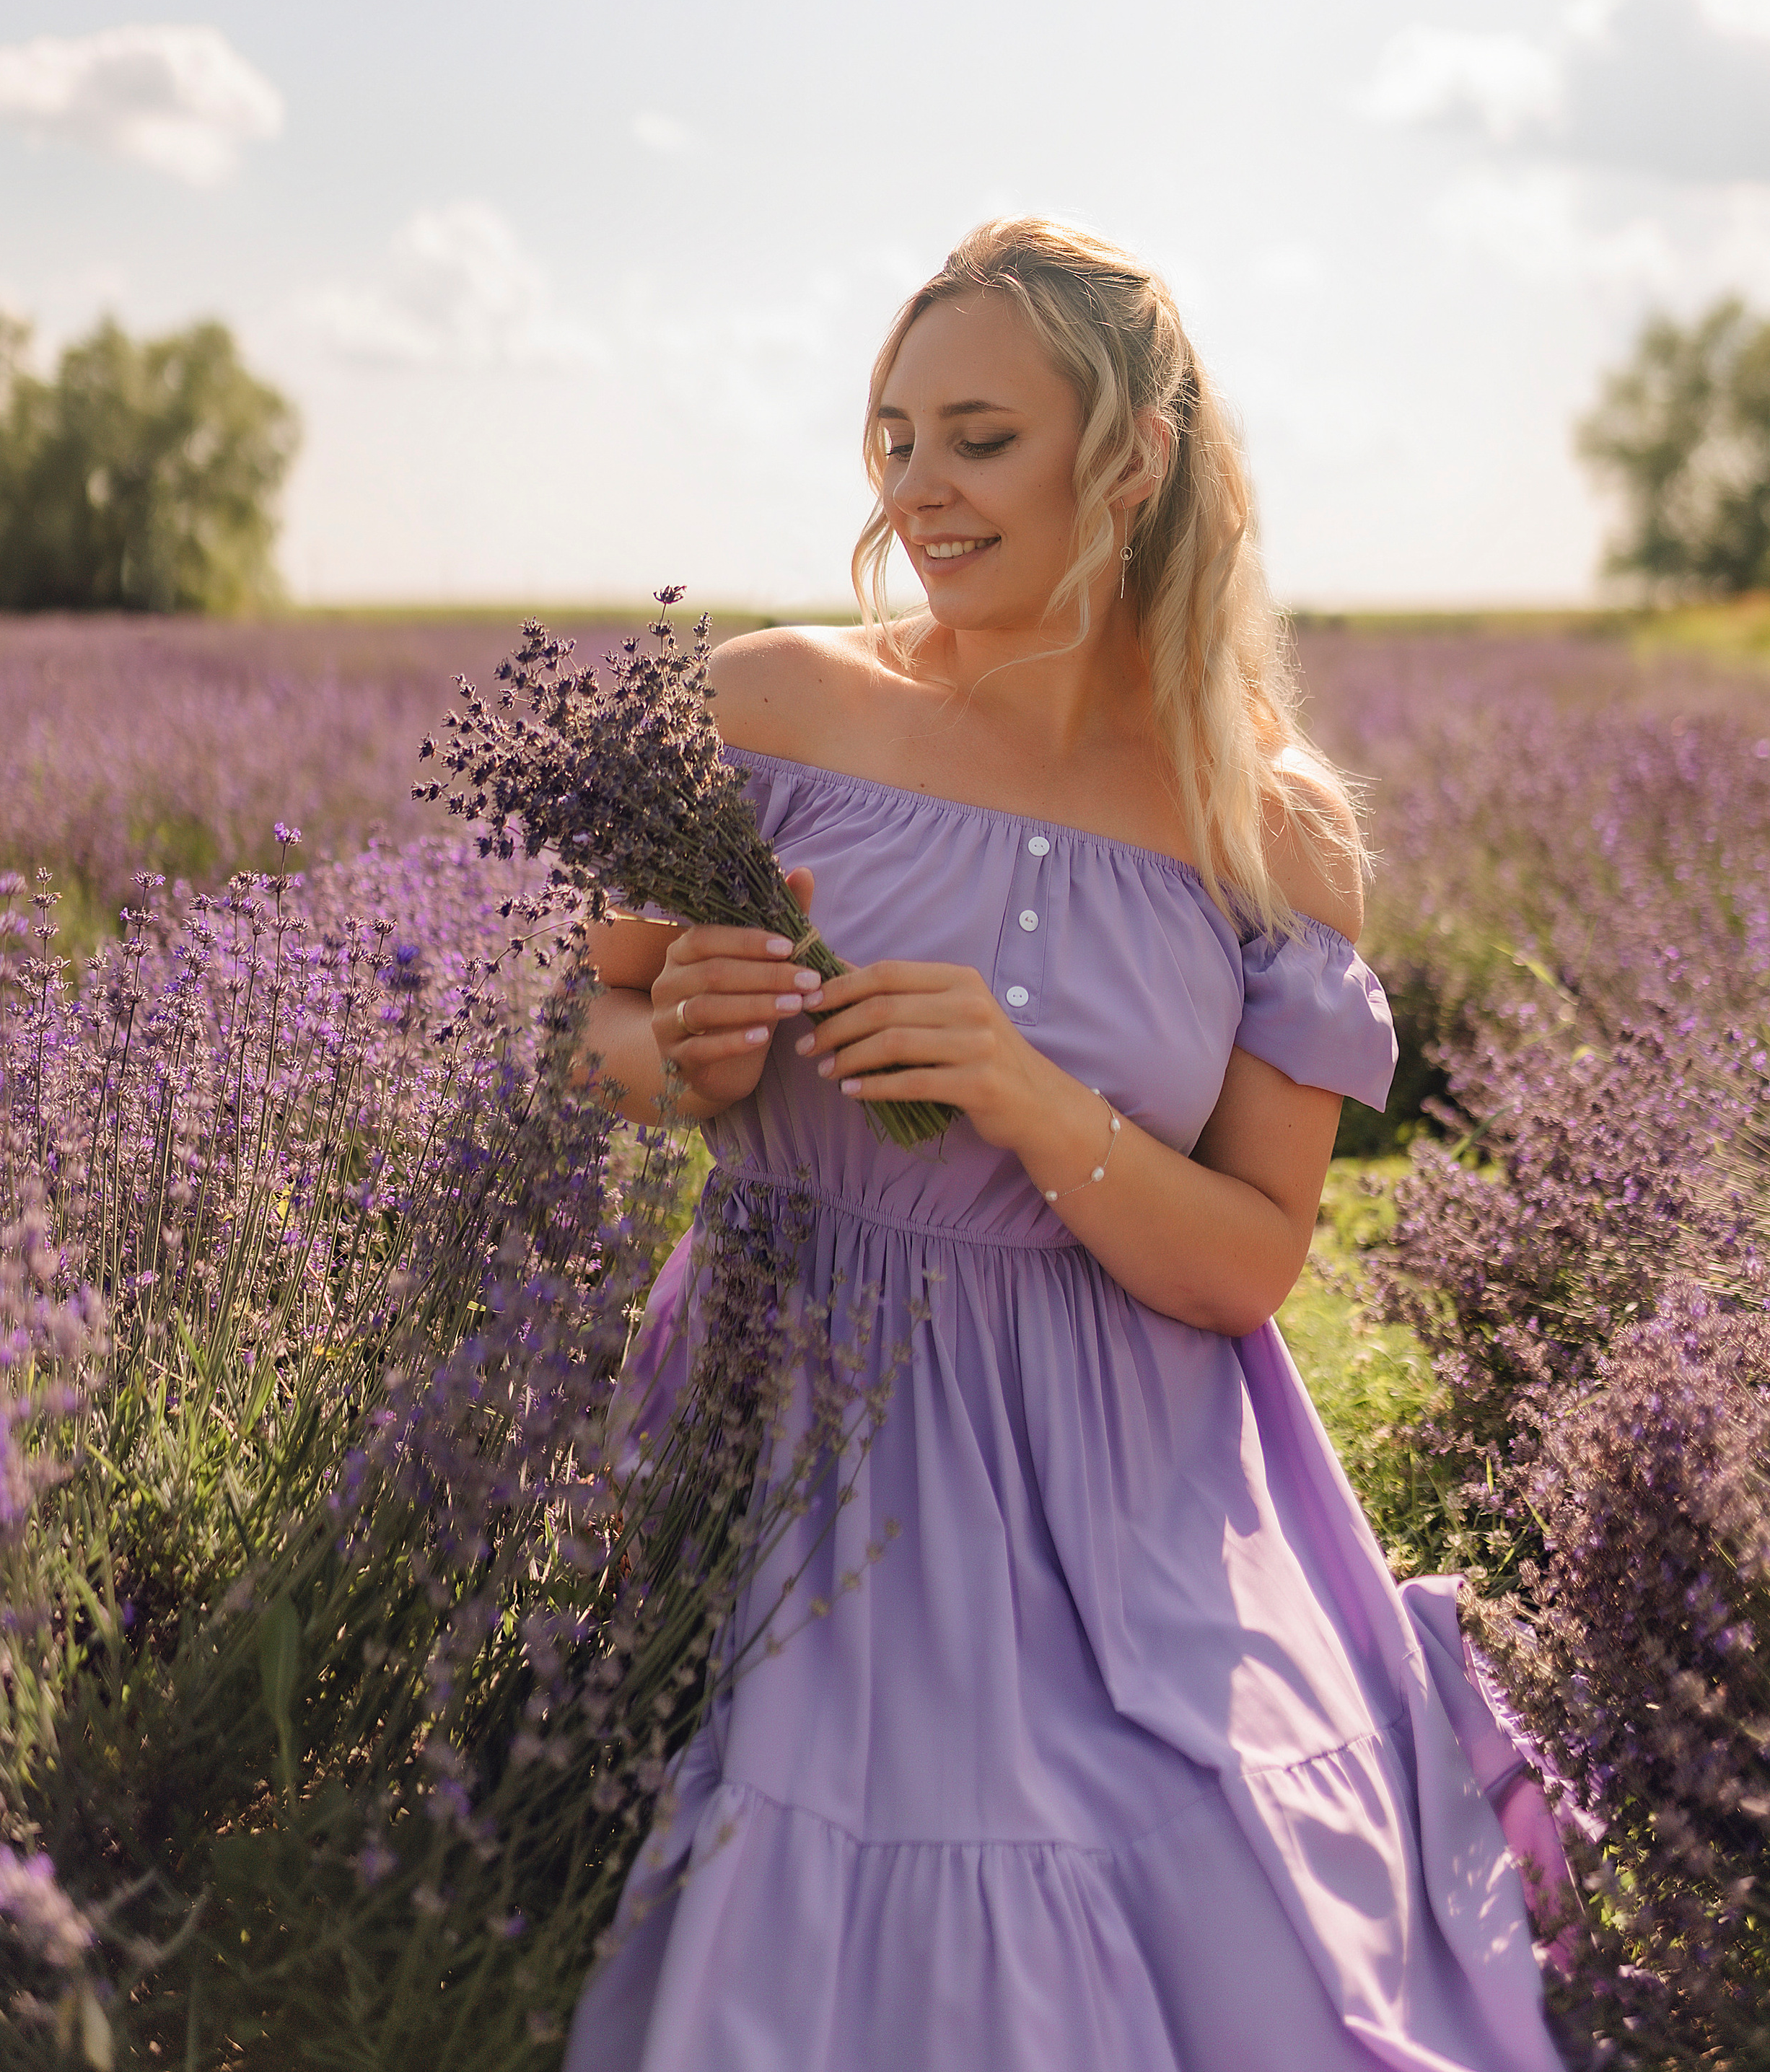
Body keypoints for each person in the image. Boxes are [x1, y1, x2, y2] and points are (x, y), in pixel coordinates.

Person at [566, 219, 1567, 2071]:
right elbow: (600, 1029)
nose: (918, 490)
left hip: (1136, 1471)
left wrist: (1024, 1091)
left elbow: (1250, 1262)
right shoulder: (774, 704)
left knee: (1265, 1944)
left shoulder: (1267, 831)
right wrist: (678, 1045)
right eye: (892, 439)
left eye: (976, 435)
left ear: (1132, 456)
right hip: (798, 1396)